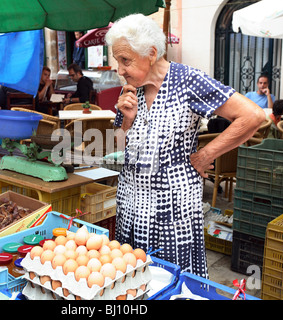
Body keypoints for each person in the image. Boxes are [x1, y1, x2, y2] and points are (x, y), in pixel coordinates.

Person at [105, 14, 265, 277]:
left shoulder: (187, 80)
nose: (120, 70)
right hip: (131, 206)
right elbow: (121, 146)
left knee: (171, 278)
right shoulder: (131, 89)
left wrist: (206, 155)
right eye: (118, 61)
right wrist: (127, 123)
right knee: (133, 278)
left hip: (172, 208)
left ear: (152, 53)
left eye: (125, 60)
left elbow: (252, 116)